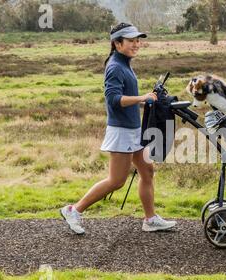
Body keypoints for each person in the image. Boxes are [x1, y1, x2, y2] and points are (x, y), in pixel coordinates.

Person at [60, 23, 177, 235]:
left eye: (138, 40)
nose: (136, 44)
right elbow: (113, 100)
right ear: (117, 43)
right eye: (131, 41)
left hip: (133, 129)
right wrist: (142, 97)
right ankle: (73, 210)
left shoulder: (125, 63)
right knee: (117, 181)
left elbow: (126, 99)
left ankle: (150, 219)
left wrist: (147, 102)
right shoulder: (115, 66)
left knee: (147, 171)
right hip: (122, 131)